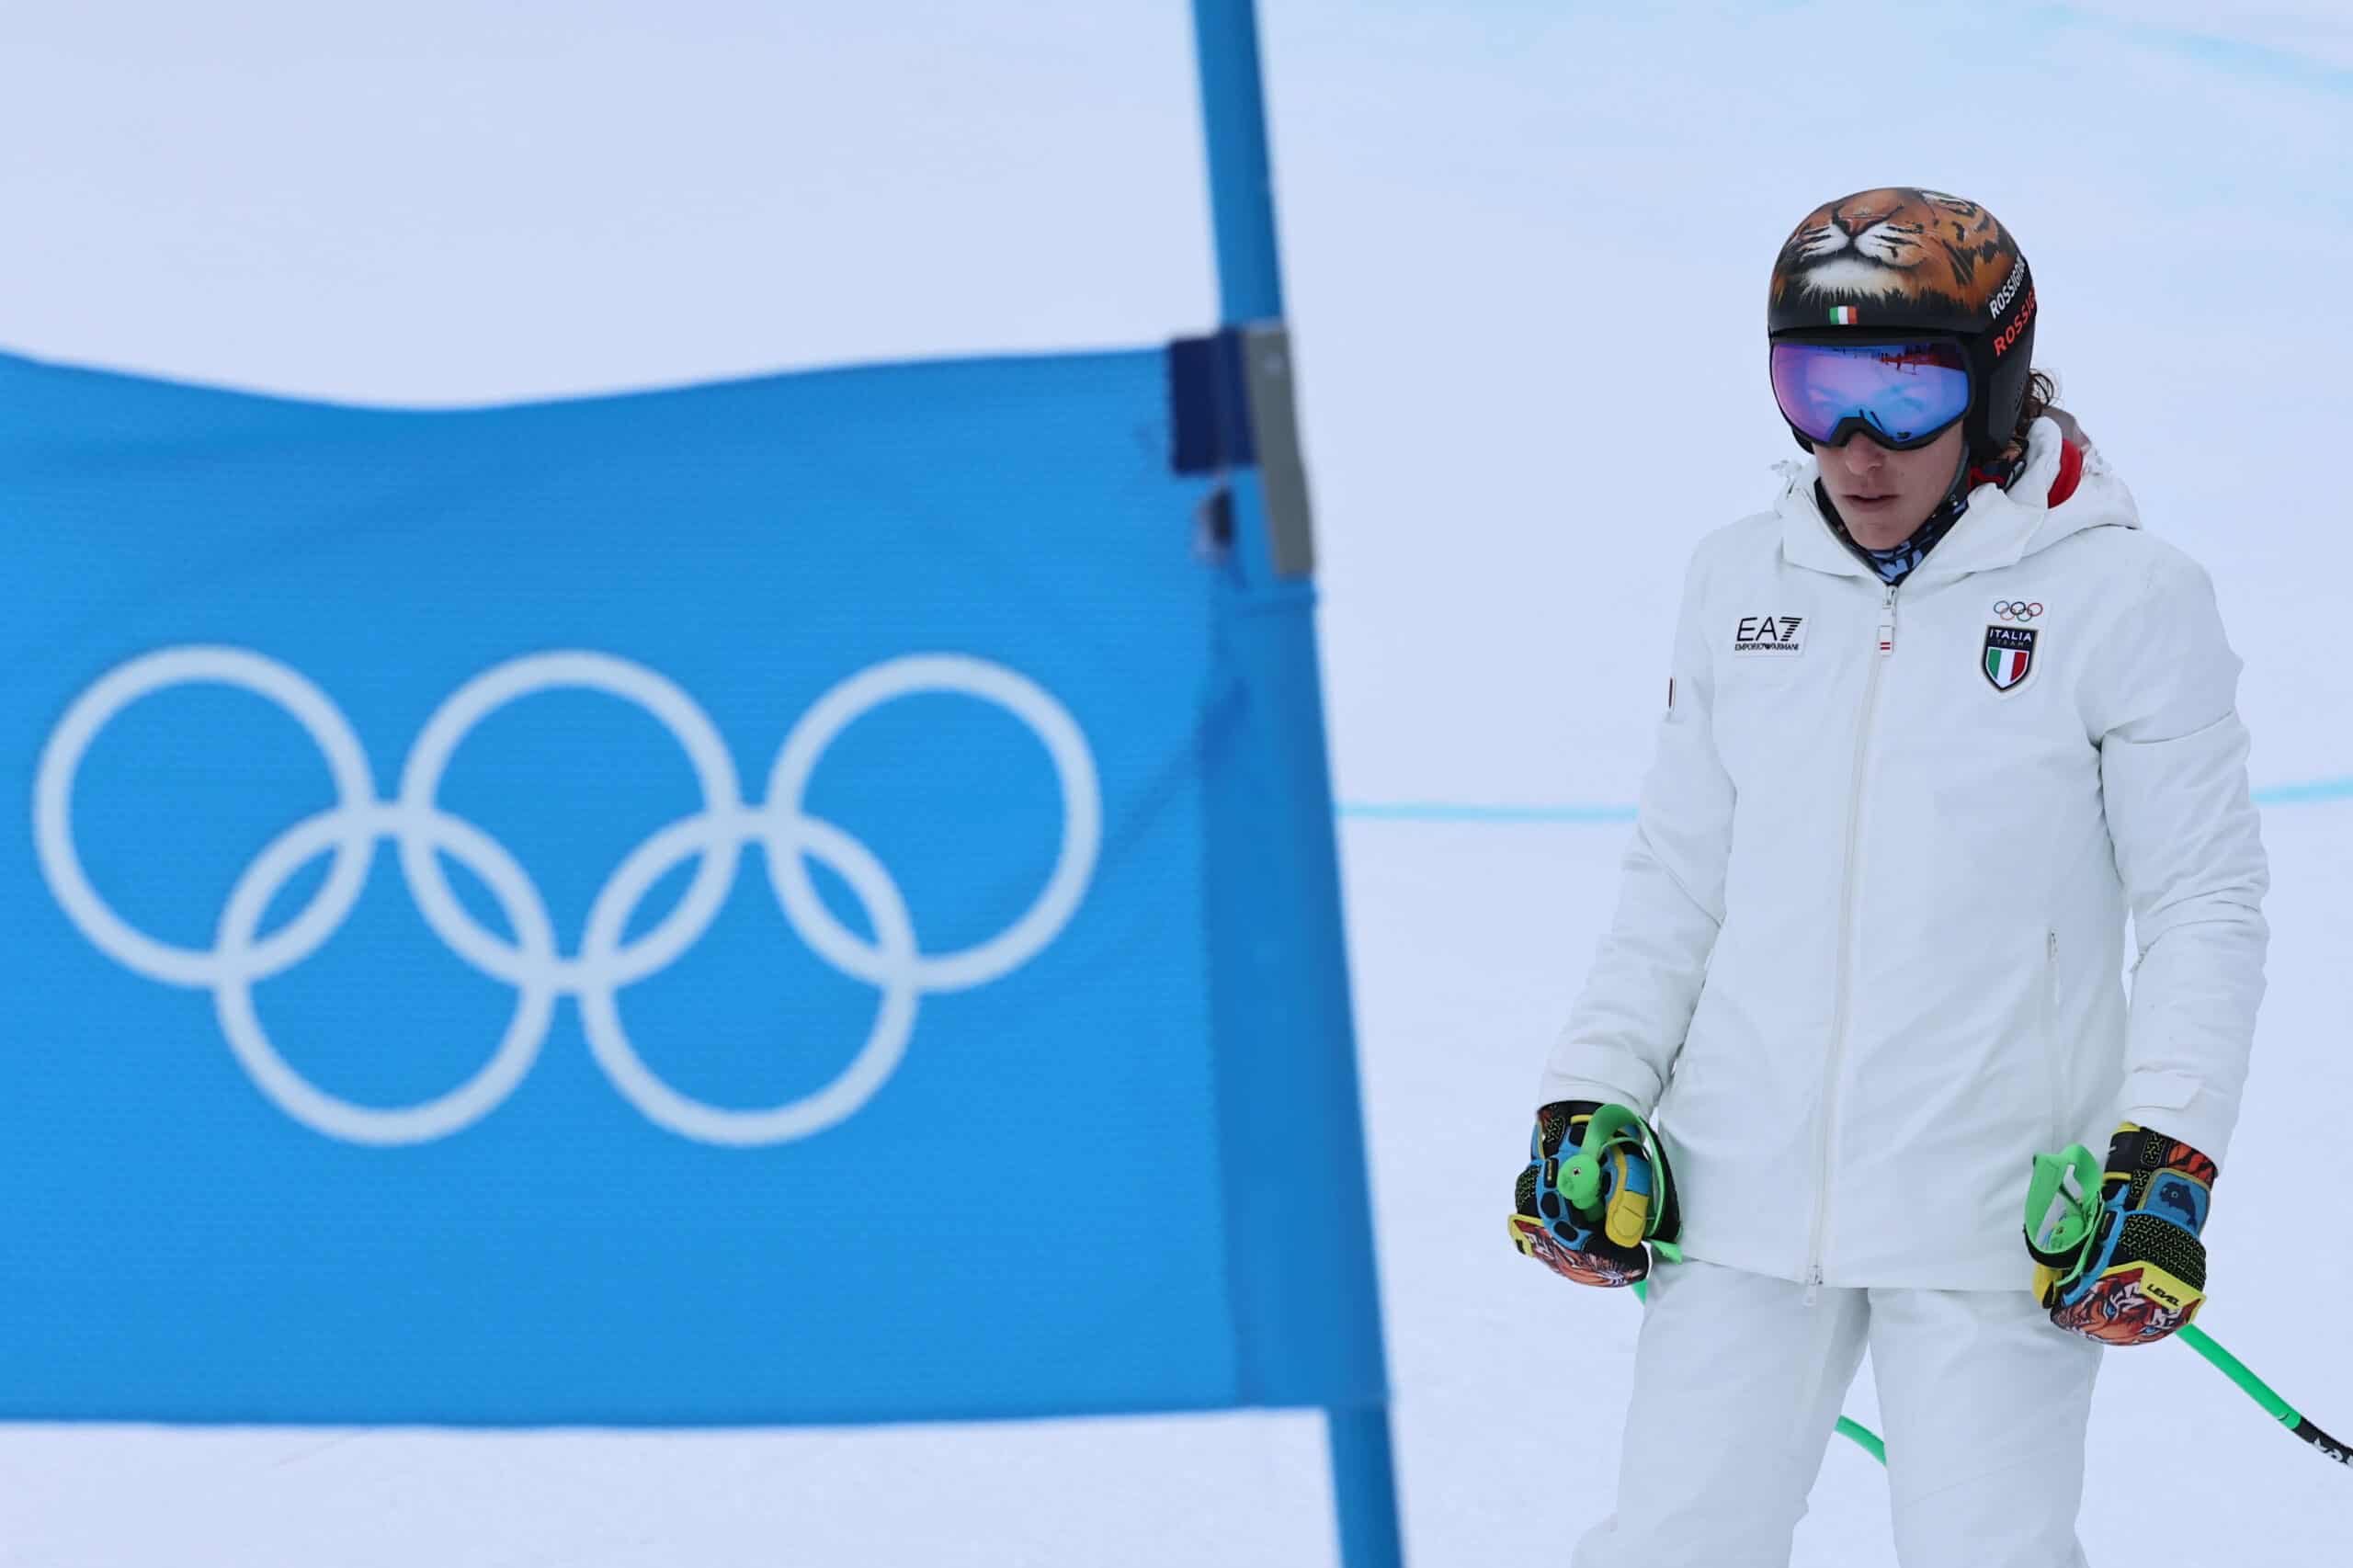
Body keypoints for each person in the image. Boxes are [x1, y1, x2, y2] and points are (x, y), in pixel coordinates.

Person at [1506, 187, 2268, 1567]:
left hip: (1994, 1219)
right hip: (1736, 1192)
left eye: (1902, 393)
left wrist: (2168, 1155)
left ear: (1993, 386)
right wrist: (1594, 1086)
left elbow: (2205, 904)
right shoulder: (1742, 578)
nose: (1854, 446)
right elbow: (1678, 876)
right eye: (1815, 386)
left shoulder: (2127, 600)